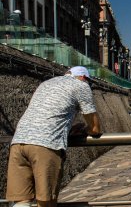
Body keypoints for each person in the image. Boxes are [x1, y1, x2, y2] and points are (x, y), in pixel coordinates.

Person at [6, 66, 102, 207]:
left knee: (22, 201)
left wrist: (68, 128)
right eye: (89, 82)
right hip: (46, 144)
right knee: (46, 201)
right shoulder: (81, 86)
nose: (89, 85)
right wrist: (85, 129)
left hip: (18, 141)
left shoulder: (46, 83)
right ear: (83, 77)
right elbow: (95, 128)